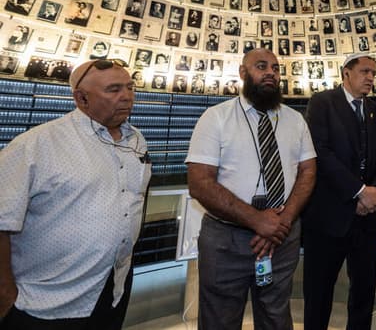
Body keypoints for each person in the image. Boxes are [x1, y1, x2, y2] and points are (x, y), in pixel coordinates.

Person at [0, 59, 150, 328]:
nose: (127, 96)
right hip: (44, 302)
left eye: (130, 87)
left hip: (113, 288)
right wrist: (6, 297)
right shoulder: (36, 145)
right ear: (81, 98)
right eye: (113, 89)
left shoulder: (136, 140)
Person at [186, 49, 316, 330]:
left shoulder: (295, 120)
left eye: (276, 68)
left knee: (276, 316)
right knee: (220, 319)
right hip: (225, 240)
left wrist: (281, 222)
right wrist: (257, 220)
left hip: (282, 236)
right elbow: (199, 182)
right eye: (261, 66)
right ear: (243, 73)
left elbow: (308, 171)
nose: (270, 72)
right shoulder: (215, 117)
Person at [302, 53, 376, 330]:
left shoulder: (375, 110)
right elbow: (321, 152)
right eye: (365, 71)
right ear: (346, 73)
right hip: (329, 218)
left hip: (366, 220)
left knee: (363, 293)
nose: (370, 78)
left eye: (373, 73)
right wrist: (359, 191)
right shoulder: (322, 103)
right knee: (319, 294)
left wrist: (374, 191)